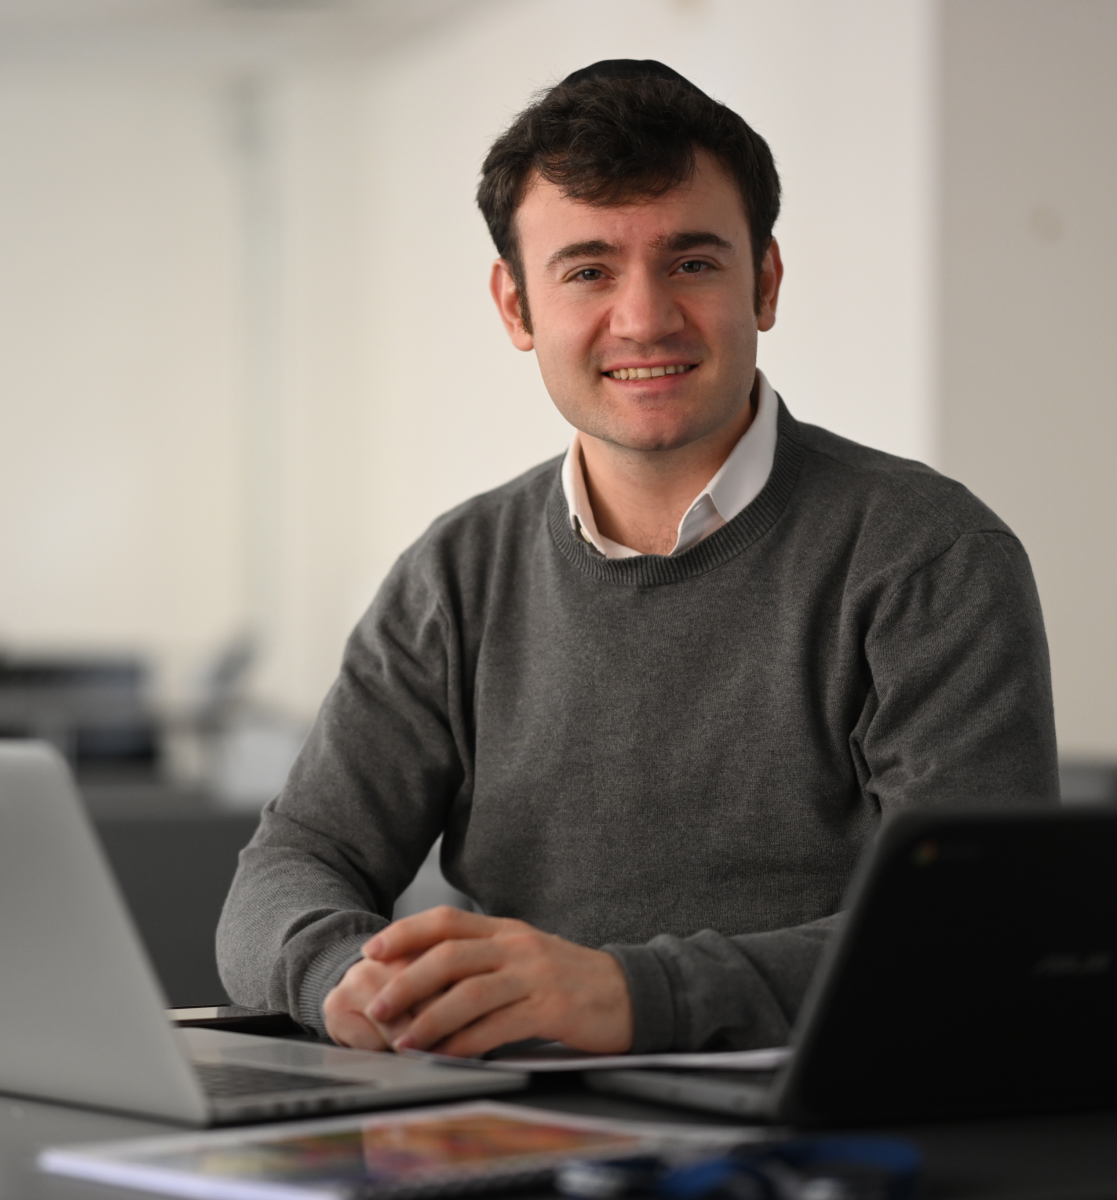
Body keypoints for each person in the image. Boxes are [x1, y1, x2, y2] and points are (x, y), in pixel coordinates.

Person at [217, 60, 1058, 1056]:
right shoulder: (455, 574)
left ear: (767, 282)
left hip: (816, 1132)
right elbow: (294, 864)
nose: (645, 316)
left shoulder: (928, 556)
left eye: (693, 262)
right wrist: (343, 977)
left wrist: (630, 996)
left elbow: (970, 938)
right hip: (510, 1120)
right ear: (517, 307)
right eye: (588, 270)